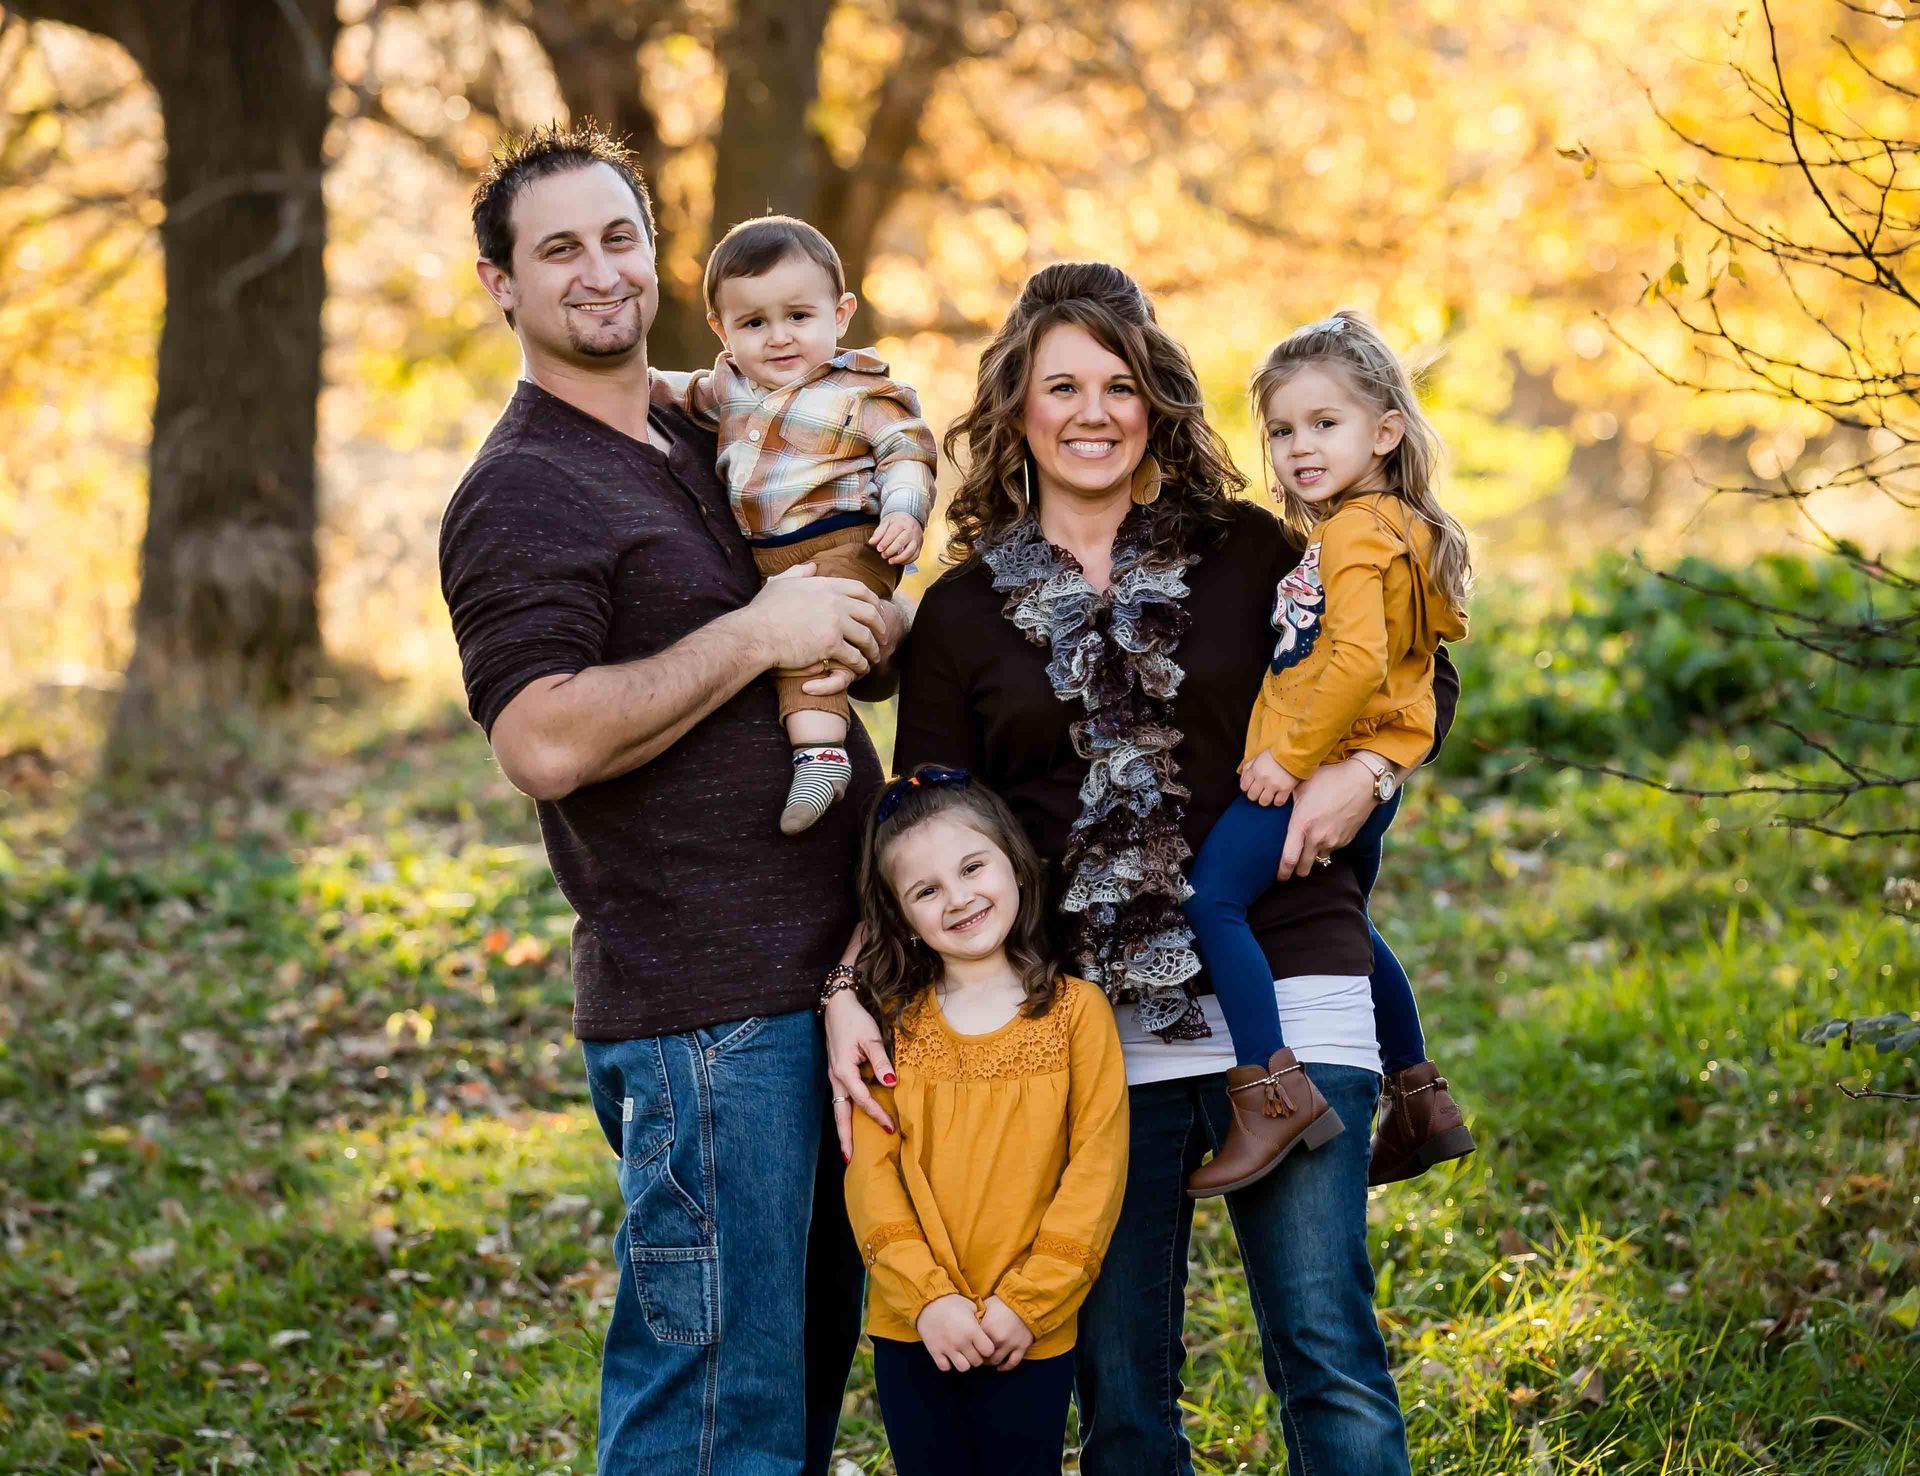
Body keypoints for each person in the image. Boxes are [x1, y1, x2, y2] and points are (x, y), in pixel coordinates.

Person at [823, 262, 1458, 1474]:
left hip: (1297, 962)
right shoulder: (961, 612)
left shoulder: (1256, 548)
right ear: (1018, 408)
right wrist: (850, 984)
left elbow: (1408, 655)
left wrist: (1365, 776)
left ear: (1158, 403)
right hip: (1098, 1029)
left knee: (1326, 1349)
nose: (1094, 412)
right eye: (1062, 386)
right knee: (1121, 1395)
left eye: (1120, 384)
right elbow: (928, 819)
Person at [438, 123, 898, 1476]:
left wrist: (853, 627)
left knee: (798, 1380)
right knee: (711, 1414)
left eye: (621, 236)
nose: (599, 271)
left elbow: (813, 580)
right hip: (703, 1017)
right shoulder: (522, 491)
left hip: (824, 982)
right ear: (500, 287)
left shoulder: (708, 429)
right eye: (558, 248)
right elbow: (541, 741)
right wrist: (760, 636)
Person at [1181, 311, 1475, 1197]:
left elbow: (1357, 660)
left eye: (1325, 424)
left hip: (1322, 764)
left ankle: (1270, 1093)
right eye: (1280, 430)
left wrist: (1290, 757)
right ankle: (1421, 1098)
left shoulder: (1353, 532)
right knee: (1350, 919)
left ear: (1386, 431)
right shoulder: (1392, 525)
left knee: (1213, 901)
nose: (1299, 447)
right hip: (1363, 765)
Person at [838, 765, 1129, 1476]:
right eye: (926, 890)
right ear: (900, 916)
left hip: (1028, 1327)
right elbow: (871, 1178)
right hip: (915, 1326)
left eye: (973, 867)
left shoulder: (1076, 1015)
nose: (959, 898)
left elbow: (1098, 1168)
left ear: (1016, 865)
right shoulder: (894, 1025)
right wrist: (929, 1299)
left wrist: (1027, 1304)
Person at [650, 215, 937, 834]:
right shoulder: (729, 385)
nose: (778, 338)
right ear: (721, 330)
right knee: (777, 615)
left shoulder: (862, 390)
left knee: (816, 624)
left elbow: (907, 451)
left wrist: (904, 512)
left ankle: (821, 753)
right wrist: (636, 383)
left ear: (840, 313)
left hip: (848, 537)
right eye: (754, 323)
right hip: (767, 550)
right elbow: (678, 392)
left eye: (799, 317)